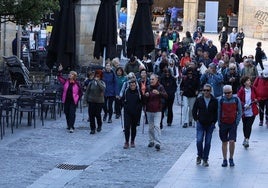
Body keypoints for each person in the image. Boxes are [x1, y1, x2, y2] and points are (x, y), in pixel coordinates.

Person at [192, 84, 218, 167]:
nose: (206, 92)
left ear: (210, 91)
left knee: (208, 142)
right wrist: (196, 119)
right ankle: (199, 155)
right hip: (200, 123)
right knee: (199, 140)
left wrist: (214, 122)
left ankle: (205, 158)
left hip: (210, 124)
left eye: (207, 90)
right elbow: (194, 110)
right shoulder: (199, 99)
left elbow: (216, 112)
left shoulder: (214, 100)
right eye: (204, 90)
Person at [218, 85, 242, 167]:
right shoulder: (221, 100)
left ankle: (231, 158)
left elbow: (240, 111)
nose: (227, 94)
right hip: (223, 123)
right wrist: (219, 123)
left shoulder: (236, 99)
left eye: (229, 92)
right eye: (226, 93)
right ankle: (224, 159)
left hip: (232, 124)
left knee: (232, 141)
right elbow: (219, 112)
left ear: (232, 92)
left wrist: (236, 122)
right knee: (224, 142)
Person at [143, 74, 168, 151]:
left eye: (153, 79)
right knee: (150, 127)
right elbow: (143, 99)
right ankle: (151, 141)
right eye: (150, 79)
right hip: (149, 109)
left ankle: (158, 143)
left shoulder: (160, 87)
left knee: (157, 126)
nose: (151, 81)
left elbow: (166, 96)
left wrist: (159, 93)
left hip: (158, 109)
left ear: (157, 80)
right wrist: (145, 95)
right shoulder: (148, 87)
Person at [57, 64, 83, 133]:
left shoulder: (77, 83)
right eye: (69, 74)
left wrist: (77, 98)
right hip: (66, 100)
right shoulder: (66, 81)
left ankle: (71, 126)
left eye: (71, 74)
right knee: (66, 112)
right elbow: (59, 78)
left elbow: (81, 92)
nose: (69, 75)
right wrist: (59, 71)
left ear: (74, 76)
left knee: (72, 113)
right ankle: (68, 124)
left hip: (73, 101)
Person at [237, 76, 258, 148]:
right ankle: (245, 137)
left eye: (249, 80)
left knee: (249, 125)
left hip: (252, 111)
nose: (249, 82)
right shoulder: (241, 90)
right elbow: (238, 100)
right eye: (248, 80)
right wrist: (245, 105)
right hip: (244, 112)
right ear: (244, 83)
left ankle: (247, 139)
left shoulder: (253, 89)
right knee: (245, 126)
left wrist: (256, 100)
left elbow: (258, 96)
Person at [84, 70, 106, 134]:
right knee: (91, 115)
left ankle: (99, 125)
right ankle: (92, 129)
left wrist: (98, 82)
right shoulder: (91, 83)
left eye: (98, 76)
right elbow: (87, 92)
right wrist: (85, 101)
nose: (97, 77)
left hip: (99, 101)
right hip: (91, 101)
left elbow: (103, 89)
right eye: (96, 76)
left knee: (97, 114)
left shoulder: (102, 82)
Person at [122, 79, 142, 149]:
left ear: (136, 85)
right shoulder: (126, 91)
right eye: (131, 85)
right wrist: (124, 105)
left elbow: (141, 101)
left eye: (134, 85)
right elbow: (123, 100)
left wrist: (138, 108)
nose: (132, 86)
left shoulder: (138, 92)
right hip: (127, 112)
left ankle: (132, 141)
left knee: (134, 127)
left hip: (136, 112)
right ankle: (126, 141)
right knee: (127, 127)